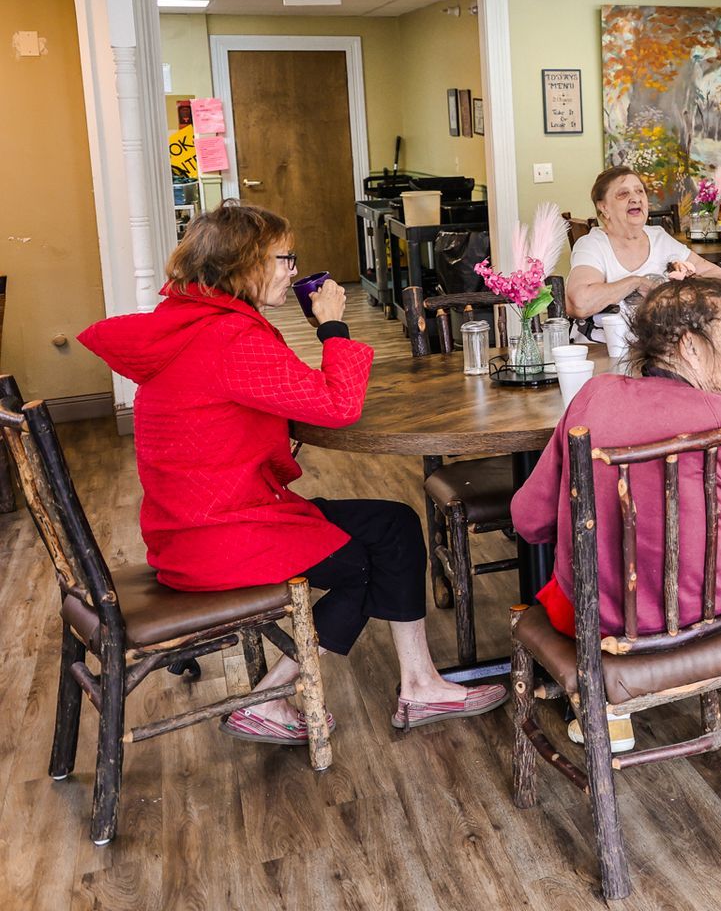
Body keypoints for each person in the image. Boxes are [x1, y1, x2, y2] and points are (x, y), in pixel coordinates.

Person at [78, 205, 504, 745]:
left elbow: (273, 399)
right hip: (225, 534)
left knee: (393, 525)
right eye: (284, 258)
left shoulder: (186, 325)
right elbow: (338, 405)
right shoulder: (232, 339)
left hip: (186, 528)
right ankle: (269, 697)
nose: (292, 271)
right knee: (366, 564)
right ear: (245, 263)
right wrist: (332, 328)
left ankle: (420, 682)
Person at [511, 278, 721, 751]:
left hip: (603, 621)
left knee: (562, 585)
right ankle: (610, 700)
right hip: (711, 610)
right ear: (690, 347)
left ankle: (602, 701)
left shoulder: (593, 396)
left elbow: (528, 520)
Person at [565, 166, 721, 330]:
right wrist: (636, 282)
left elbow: (718, 276)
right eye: (623, 194)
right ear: (604, 208)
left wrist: (682, 291)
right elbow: (579, 305)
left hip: (659, 344)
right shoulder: (592, 245)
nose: (635, 198)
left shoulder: (659, 237)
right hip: (604, 349)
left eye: (639, 191)